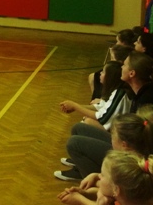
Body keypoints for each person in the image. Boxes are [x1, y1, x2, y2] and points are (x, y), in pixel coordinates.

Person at [56, 53, 153, 181]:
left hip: (131, 152)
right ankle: (81, 166)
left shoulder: (145, 99)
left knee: (74, 143)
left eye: (124, 65)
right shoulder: (138, 93)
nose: (121, 67)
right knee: (78, 128)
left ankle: (93, 181)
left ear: (132, 73)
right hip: (125, 141)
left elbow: (140, 140)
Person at [57, 106, 153, 202]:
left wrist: (80, 199)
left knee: (74, 143)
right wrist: (87, 190)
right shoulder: (136, 166)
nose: (110, 138)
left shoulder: (129, 171)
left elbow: (111, 189)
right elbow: (112, 189)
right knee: (78, 128)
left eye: (112, 136)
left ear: (124, 144)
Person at [60, 61, 131, 131]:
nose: (100, 73)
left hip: (116, 133)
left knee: (84, 123)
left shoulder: (119, 94)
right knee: (85, 121)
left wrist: (74, 106)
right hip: (113, 128)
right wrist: (75, 107)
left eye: (103, 72)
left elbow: (102, 118)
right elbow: (101, 107)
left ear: (110, 77)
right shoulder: (115, 91)